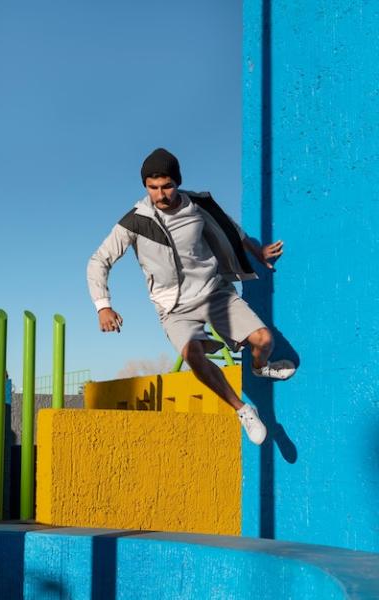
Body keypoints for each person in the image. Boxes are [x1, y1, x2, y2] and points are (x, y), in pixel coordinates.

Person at [87, 148, 295, 445]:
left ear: (178, 182)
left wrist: (256, 251)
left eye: (167, 186)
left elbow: (232, 230)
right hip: (173, 308)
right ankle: (243, 410)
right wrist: (103, 306)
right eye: (153, 187)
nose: (161, 194)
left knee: (264, 340)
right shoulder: (136, 220)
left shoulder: (199, 204)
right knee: (193, 356)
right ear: (146, 186)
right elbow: (99, 260)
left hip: (214, 292)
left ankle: (261, 367)